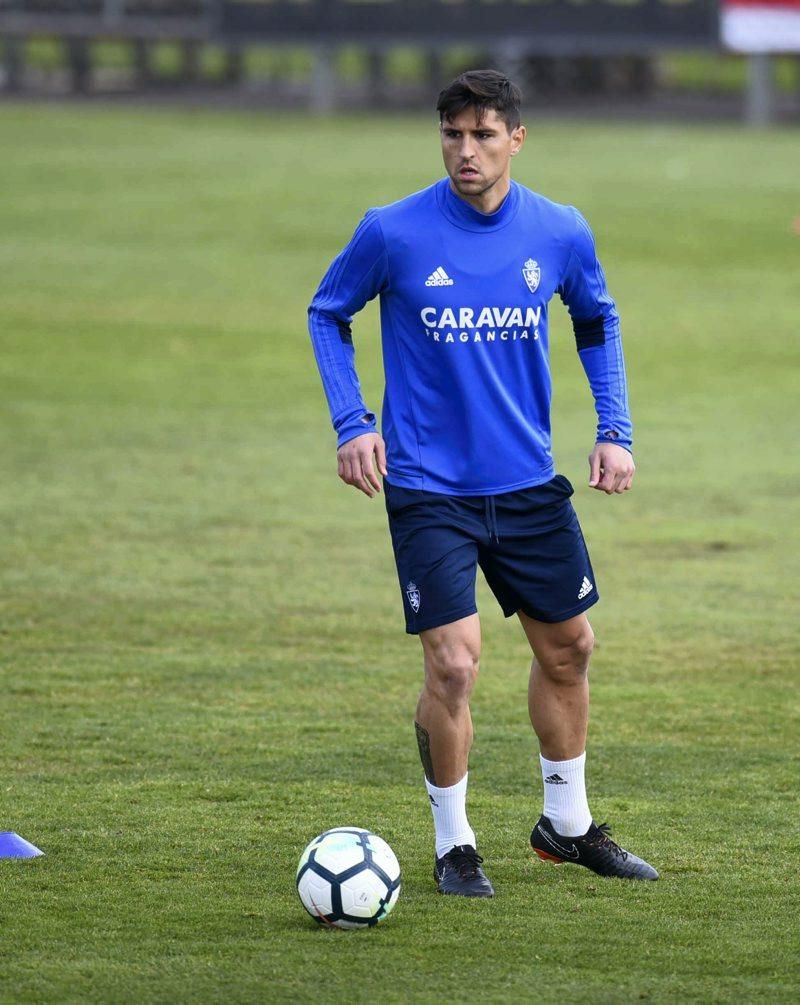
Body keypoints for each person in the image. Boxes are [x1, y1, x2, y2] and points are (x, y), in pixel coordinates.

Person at [308, 69, 657, 896]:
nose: (466, 151)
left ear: (517, 139)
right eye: (452, 135)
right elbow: (329, 310)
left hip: (529, 481)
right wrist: (354, 422)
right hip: (429, 485)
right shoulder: (392, 231)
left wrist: (615, 430)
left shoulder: (560, 230)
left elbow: (597, 319)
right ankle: (454, 843)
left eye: (483, 135)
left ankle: (565, 826)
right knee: (455, 666)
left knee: (570, 648)